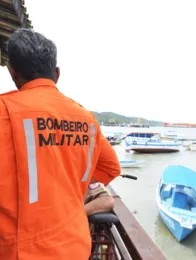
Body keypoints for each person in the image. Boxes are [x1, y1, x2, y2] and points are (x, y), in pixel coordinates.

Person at [0, 28, 121, 260]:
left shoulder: (5, 110)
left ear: (12, 72)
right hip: (74, 245)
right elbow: (110, 168)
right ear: (56, 73)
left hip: (19, 250)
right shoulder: (86, 118)